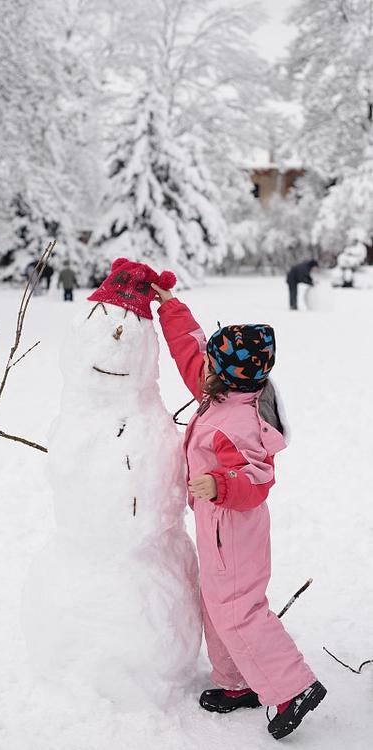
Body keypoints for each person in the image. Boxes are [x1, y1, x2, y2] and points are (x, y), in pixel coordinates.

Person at [150, 283, 327, 741]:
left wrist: (220, 484)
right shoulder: (222, 392)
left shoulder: (240, 422)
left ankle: (294, 688)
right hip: (219, 528)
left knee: (239, 610)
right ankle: (236, 684)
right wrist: (172, 308)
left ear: (228, 375)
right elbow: (192, 354)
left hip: (235, 528)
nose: (202, 365)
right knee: (219, 604)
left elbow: (259, 480)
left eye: (212, 361)